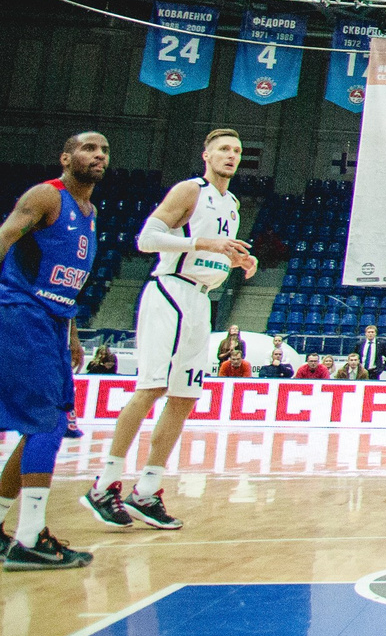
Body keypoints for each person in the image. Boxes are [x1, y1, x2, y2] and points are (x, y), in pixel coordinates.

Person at [85, 127, 255, 533]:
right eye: (224, 149)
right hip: (170, 291)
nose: (231, 155)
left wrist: (235, 262)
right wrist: (203, 244)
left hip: (201, 300)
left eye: (236, 150)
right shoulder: (190, 190)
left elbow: (210, 254)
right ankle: (105, 483)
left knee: (184, 396)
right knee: (152, 387)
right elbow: (147, 239)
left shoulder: (232, 204)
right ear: (206, 155)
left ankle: (147, 489)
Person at [0, 132, 110, 569]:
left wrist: (73, 333)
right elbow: (4, 236)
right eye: (89, 148)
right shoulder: (47, 196)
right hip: (21, 312)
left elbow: (65, 280)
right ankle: (29, 538)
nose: (98, 155)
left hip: (55, 321)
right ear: (66, 158)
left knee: (44, 425)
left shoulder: (92, 213)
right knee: (47, 421)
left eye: (104, 150)